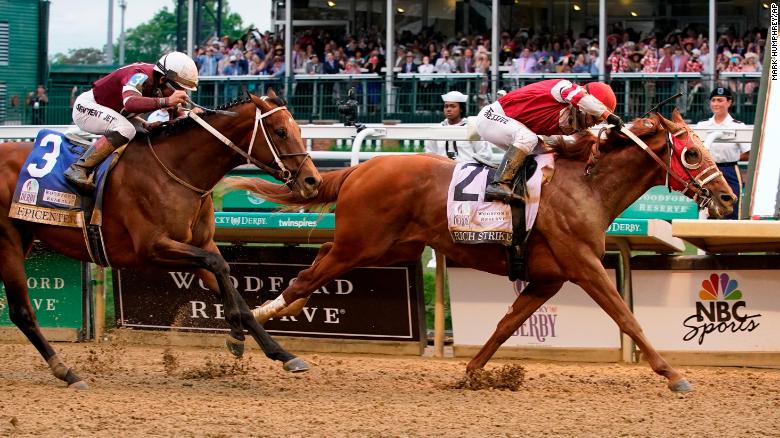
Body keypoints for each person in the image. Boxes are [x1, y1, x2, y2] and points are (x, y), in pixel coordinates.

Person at [64, 51, 197, 192]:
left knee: (147, 130)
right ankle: (79, 167)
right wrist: (167, 101)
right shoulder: (140, 75)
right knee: (126, 129)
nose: (182, 93)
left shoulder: (161, 82)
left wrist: (191, 116)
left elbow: (178, 116)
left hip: (115, 113)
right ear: (163, 80)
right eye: (179, 89)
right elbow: (130, 103)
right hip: (87, 107)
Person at [473, 79, 621, 202]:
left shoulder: (576, 118)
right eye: (595, 118)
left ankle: (523, 188)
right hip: (491, 117)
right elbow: (580, 97)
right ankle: (499, 183)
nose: (595, 123)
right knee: (527, 138)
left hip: (508, 124)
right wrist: (608, 115)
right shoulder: (565, 88)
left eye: (599, 121)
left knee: (547, 154)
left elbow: (587, 143)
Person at [695, 87, 750, 220]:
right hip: (707, 171)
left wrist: (732, 157)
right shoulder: (702, 125)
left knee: (732, 206)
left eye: (720, 100)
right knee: (707, 207)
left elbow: (748, 153)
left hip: (729, 169)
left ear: (729, 102)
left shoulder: (738, 126)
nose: (716, 104)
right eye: (713, 100)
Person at [425, 91, 493, 164]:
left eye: (453, 106)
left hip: (467, 171)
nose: (448, 109)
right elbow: (430, 155)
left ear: (461, 109)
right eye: (446, 106)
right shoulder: (436, 129)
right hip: (441, 171)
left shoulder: (471, 128)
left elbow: (485, 155)